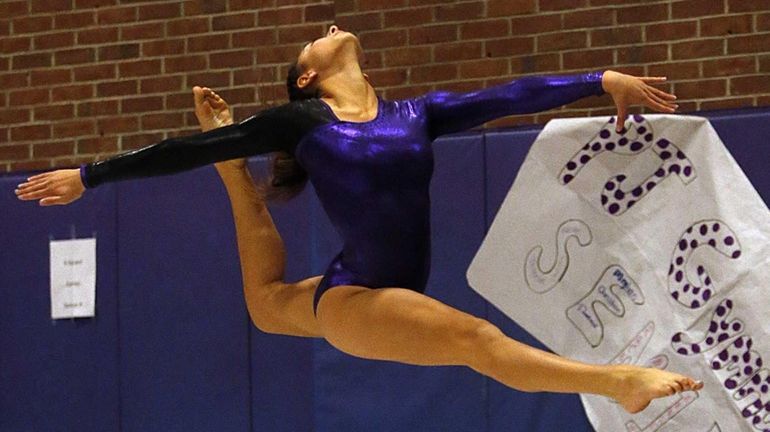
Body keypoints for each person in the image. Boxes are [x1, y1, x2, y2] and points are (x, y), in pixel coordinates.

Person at [16, 25, 701, 414]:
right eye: (313, 41)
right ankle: (616, 382)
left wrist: (599, 80)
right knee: (475, 338)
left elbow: (505, 96)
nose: (327, 31)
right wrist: (88, 176)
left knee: (263, 304)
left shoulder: (416, 115)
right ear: (307, 77)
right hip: (357, 298)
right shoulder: (301, 120)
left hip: (364, 296)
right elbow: (183, 149)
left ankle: (237, 177)